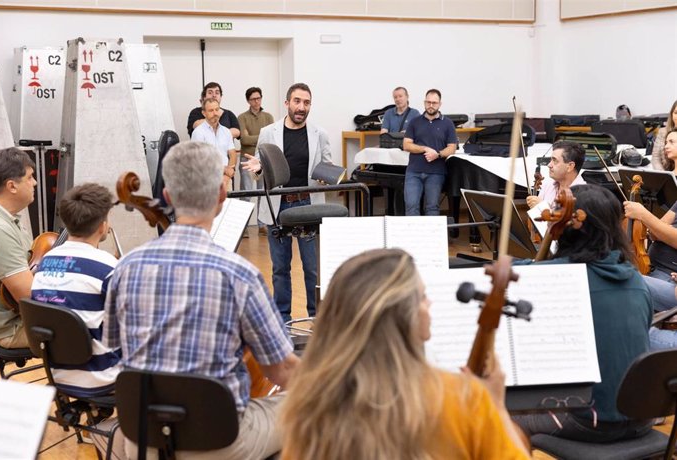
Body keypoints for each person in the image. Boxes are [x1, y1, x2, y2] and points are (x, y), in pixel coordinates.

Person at [99, 141, 298, 459]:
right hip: (218, 442)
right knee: (302, 404)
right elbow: (282, 371)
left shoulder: (124, 268)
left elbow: (113, 347)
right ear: (221, 195)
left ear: (166, 197)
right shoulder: (239, 274)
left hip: (143, 438)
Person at [280, 248, 529, 459]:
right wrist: (497, 408)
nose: (429, 303)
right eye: (422, 297)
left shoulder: (312, 408)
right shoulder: (462, 400)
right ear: (404, 319)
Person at [515, 184, 653, 443]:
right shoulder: (636, 280)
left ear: (569, 225)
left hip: (589, 420)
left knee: (500, 412)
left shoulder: (557, 278)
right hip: (643, 416)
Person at [241, 82, 332, 322]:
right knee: (280, 269)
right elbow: (259, 170)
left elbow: (327, 166)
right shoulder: (268, 132)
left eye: (306, 102)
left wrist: (328, 178)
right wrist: (258, 169)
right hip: (278, 208)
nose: (302, 107)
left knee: (312, 268)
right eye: (297, 101)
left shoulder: (319, 134)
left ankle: (317, 318)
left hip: (308, 206)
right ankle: (283, 320)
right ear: (287, 103)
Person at [31, 183, 121, 398]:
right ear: (102, 225)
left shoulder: (44, 262)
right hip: (103, 377)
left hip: (57, 374)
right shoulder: (109, 266)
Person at [0, 147, 37, 349]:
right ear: (12, 186)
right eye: (30, 177)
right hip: (17, 327)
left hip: (14, 320)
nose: (34, 183)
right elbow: (30, 297)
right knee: (101, 328)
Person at [625, 130, 677, 314]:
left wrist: (644, 214)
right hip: (656, 268)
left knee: (624, 280)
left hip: (671, 279)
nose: (666, 146)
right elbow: (655, 232)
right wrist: (663, 229)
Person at [402, 89, 458, 216]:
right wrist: (425, 149)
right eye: (428, 102)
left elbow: (452, 148)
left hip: (436, 173)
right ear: (424, 102)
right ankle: (412, 236)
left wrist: (437, 154)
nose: (431, 105)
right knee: (411, 207)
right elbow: (406, 145)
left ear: (440, 104)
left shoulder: (448, 123)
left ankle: (430, 236)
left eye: (434, 102)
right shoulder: (415, 122)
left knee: (432, 207)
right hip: (413, 172)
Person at [238, 87, 275, 237]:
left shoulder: (268, 117)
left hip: (263, 159)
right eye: (253, 99)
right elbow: (244, 139)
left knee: (262, 192)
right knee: (246, 193)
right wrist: (261, 137)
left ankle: (262, 224)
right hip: (247, 159)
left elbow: (271, 137)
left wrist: (254, 137)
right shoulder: (242, 117)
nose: (257, 101)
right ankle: (243, 226)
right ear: (248, 100)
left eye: (259, 98)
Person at [526, 141, 586, 209]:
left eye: (555, 160)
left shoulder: (583, 195)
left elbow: (568, 219)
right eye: (551, 160)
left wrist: (541, 207)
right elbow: (535, 218)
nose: (549, 165)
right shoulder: (548, 185)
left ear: (570, 166)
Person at [191, 97, 238, 183]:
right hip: (206, 181)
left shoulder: (226, 131)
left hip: (226, 179)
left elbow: (232, 153)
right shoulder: (198, 132)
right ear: (204, 113)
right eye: (211, 110)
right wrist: (223, 169)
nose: (215, 113)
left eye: (217, 109)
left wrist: (228, 174)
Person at [650, 100, 677, 171]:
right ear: (671, 114)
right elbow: (656, 158)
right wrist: (665, 175)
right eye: (676, 113)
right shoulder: (663, 132)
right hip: (666, 174)